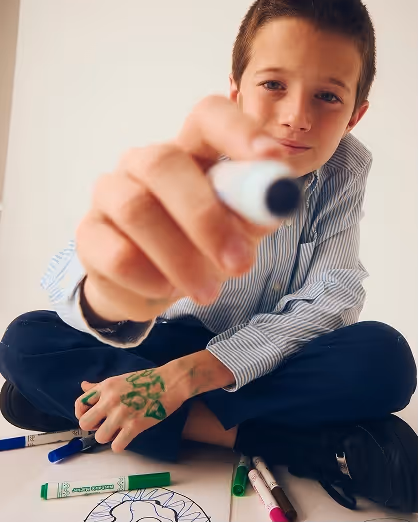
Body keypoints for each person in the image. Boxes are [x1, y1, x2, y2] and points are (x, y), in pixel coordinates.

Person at [0, 0, 417, 512]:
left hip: (255, 358)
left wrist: (181, 380)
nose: (296, 118)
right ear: (236, 93)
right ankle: (295, 443)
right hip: (163, 342)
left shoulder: (345, 168)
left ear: (355, 115)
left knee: (386, 359)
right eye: (274, 85)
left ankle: (86, 410)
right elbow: (73, 273)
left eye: (327, 96)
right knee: (24, 341)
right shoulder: (195, 159)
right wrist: (105, 297)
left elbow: (332, 297)